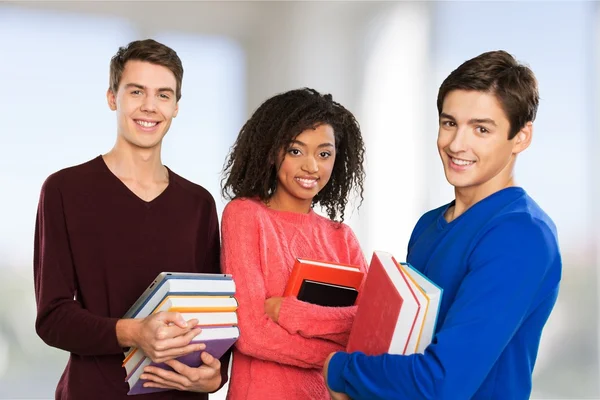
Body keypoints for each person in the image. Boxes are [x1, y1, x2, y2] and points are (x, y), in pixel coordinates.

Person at [323, 50, 562, 399]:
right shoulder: (429, 225)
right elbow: (404, 345)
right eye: (449, 123)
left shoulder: (521, 235)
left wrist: (341, 370)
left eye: (481, 129)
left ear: (521, 138)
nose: (456, 144)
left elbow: (442, 384)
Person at [34, 39, 230, 399]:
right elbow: (52, 319)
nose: (150, 106)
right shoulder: (65, 190)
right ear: (113, 97)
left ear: (176, 107)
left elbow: (215, 315)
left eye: (163, 95)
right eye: (137, 91)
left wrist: (216, 376)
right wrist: (134, 333)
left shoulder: (199, 203)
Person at [220, 88, 368, 399]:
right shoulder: (246, 215)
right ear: (272, 151)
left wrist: (290, 313)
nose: (311, 166)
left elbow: (368, 329)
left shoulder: (342, 238)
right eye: (296, 151)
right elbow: (252, 335)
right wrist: (339, 360)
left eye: (324, 153)